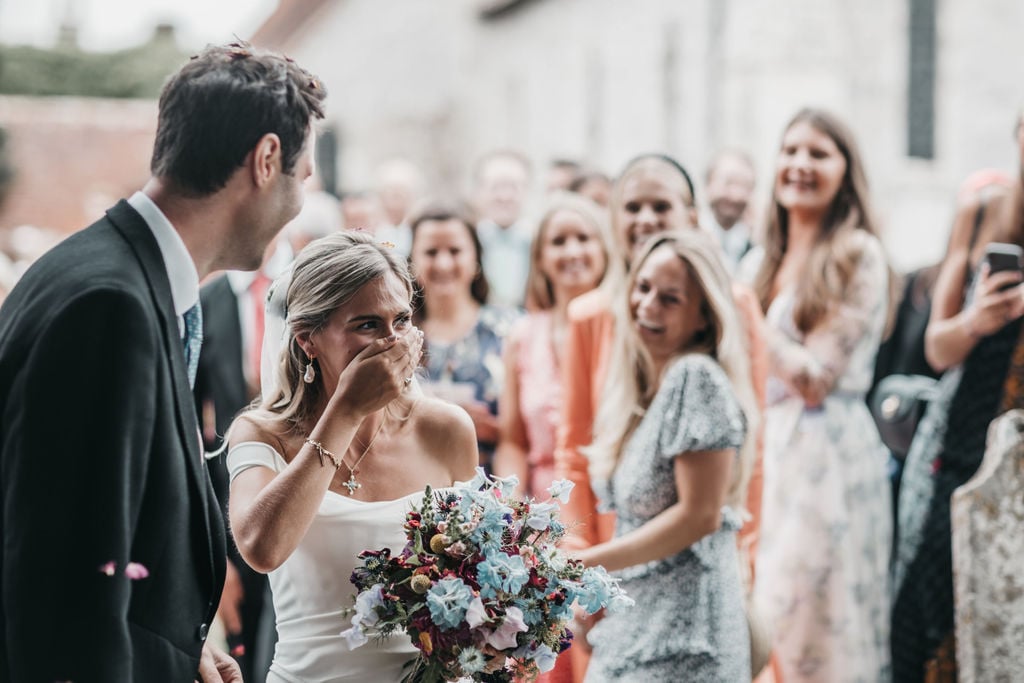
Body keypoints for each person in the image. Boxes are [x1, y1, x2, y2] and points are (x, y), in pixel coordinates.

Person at [0, 41, 325, 681]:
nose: (298, 207)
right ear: (266, 160)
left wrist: (173, 641)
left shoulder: (117, 276)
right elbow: (67, 574)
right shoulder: (109, 305)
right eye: (303, 178)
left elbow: (113, 523)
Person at [225, 231, 478, 681]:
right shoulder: (261, 434)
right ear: (308, 339)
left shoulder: (446, 428)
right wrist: (346, 411)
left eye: (401, 320)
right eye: (367, 325)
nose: (392, 342)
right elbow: (261, 549)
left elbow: (474, 582)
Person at [554, 153, 769, 680]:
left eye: (670, 299)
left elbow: (702, 513)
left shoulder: (695, 377)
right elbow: (574, 449)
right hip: (637, 613)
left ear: (702, 317)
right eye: (643, 288)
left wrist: (586, 563)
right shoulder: (647, 376)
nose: (647, 306)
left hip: (685, 634)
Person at [743, 108, 895, 682]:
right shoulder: (760, 262)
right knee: (759, 612)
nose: (800, 164)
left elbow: (814, 379)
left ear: (844, 170)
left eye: (818, 153)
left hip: (825, 453)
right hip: (762, 450)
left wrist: (744, 314)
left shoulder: (857, 253)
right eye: (790, 151)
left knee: (809, 618)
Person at [891, 116, 1024, 681]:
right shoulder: (983, 211)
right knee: (928, 608)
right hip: (958, 444)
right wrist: (977, 320)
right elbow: (936, 348)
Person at [194, 235, 294, 682]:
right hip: (232, 507)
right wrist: (217, 557)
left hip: (311, 493)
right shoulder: (206, 302)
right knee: (249, 652)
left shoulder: (313, 285)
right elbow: (191, 432)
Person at [494, 192, 612, 497]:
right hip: (543, 508)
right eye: (558, 242)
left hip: (611, 499)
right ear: (540, 258)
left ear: (604, 249)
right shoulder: (522, 337)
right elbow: (512, 443)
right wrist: (512, 508)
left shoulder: (624, 330)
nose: (572, 251)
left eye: (583, 238)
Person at [409, 201, 519, 473]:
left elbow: (527, 432)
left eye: (455, 251)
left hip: (494, 481)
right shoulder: (398, 334)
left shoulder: (510, 329)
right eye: (431, 252)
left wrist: (494, 429)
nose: (443, 263)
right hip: (415, 485)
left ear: (475, 259)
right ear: (413, 261)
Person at [474, 149, 534, 307]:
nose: (504, 196)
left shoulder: (538, 241)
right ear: (480, 191)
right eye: (495, 187)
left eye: (514, 187)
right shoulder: (470, 242)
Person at [703, 149, 757, 271]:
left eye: (745, 186)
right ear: (708, 184)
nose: (736, 195)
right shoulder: (687, 239)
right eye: (729, 183)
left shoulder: (757, 248)